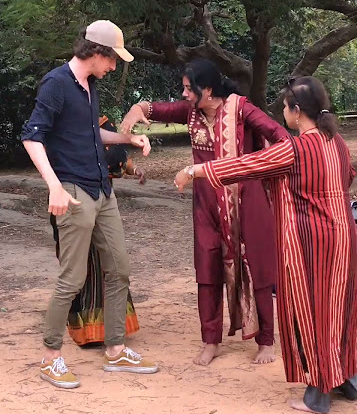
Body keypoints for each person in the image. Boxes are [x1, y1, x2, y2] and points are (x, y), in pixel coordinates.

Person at [175, 76, 357, 414]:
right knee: (339, 307)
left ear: (297, 111)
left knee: (310, 310)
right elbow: (346, 177)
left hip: (309, 240)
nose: (283, 114)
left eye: (285, 108)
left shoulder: (294, 147)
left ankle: (317, 393)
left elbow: (243, 165)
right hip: (344, 235)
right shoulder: (337, 143)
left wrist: (194, 170)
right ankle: (345, 377)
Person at [121, 58, 286, 366]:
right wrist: (135, 111)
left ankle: (266, 340)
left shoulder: (241, 110)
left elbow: (281, 139)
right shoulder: (191, 112)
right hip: (207, 206)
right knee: (207, 270)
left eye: (188, 89)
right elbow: (153, 108)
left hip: (246, 202)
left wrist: (257, 168)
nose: (183, 95)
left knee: (256, 268)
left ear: (207, 90)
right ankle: (211, 340)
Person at [21, 20, 158, 388]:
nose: (113, 67)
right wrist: (54, 187)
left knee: (119, 269)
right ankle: (51, 358)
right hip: (73, 191)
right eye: (112, 60)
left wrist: (128, 139)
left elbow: (91, 132)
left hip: (102, 191)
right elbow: (32, 138)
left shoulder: (89, 85)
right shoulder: (56, 84)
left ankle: (115, 350)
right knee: (72, 278)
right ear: (96, 53)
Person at [52, 116, 146, 348]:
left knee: (112, 269)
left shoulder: (105, 126)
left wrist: (135, 170)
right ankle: (81, 332)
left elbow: (119, 160)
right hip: (74, 201)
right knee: (80, 273)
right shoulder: (65, 128)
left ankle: (112, 336)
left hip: (103, 203)